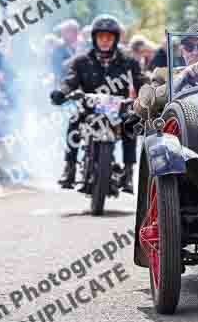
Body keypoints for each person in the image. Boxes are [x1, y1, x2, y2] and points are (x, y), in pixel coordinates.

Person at [50, 15, 143, 193]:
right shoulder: (81, 61)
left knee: (131, 124)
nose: (105, 41)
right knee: (74, 120)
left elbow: (141, 80)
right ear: (95, 38)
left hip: (119, 108)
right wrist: (61, 92)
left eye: (109, 37)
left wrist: (148, 95)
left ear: (115, 39)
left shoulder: (128, 61)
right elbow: (70, 81)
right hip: (89, 108)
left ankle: (129, 173)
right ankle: (69, 168)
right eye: (101, 37)